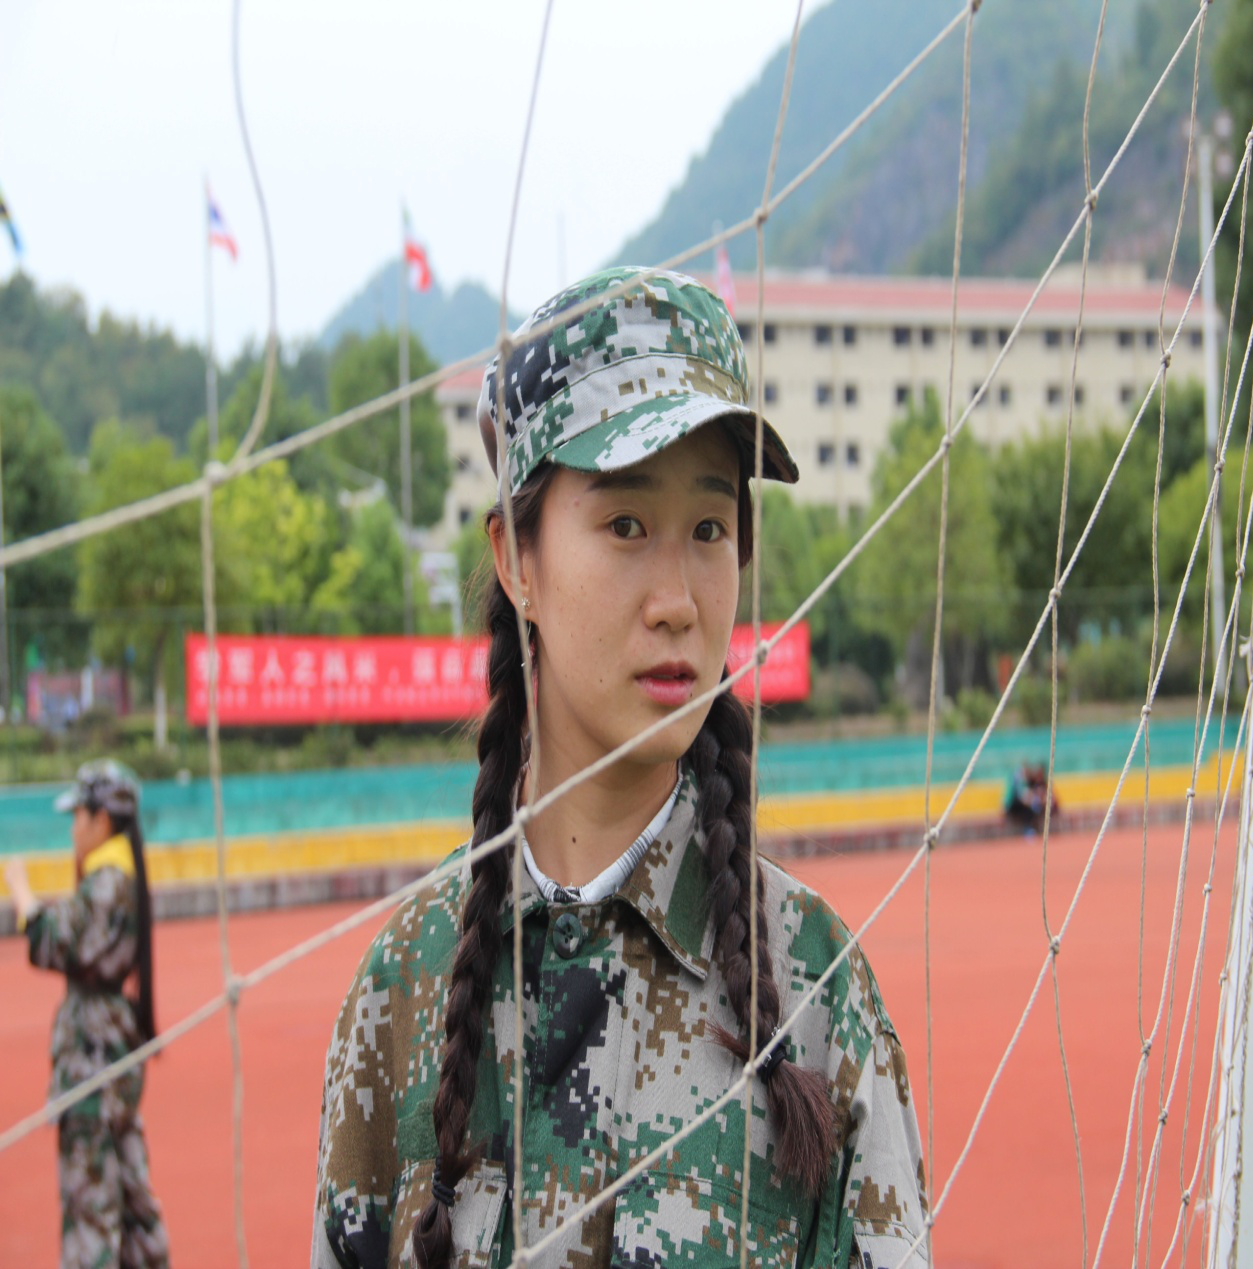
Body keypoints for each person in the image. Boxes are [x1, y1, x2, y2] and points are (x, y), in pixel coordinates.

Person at [313, 267, 928, 1267]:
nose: (678, 600)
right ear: (517, 561)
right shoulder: (403, 989)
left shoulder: (816, 993)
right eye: (626, 526)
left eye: (710, 530)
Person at [3, 760, 170, 1269]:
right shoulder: (119, 875)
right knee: (128, 1191)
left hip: (91, 1056)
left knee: (90, 1203)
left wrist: (23, 895)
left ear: (101, 819)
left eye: (78, 816)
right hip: (109, 1043)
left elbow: (55, 941)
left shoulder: (106, 880)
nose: (73, 828)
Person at [1003, 761, 1058, 835]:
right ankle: (1029, 827)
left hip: (1032, 805)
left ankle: (1034, 827)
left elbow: (1051, 797)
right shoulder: (1018, 782)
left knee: (1034, 808)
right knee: (1029, 809)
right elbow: (1022, 797)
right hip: (1015, 807)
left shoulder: (1042, 783)